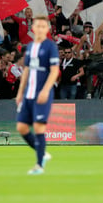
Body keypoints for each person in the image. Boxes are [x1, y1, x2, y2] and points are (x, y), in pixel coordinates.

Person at [15, 15, 60, 175]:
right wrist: (20, 92)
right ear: (33, 28)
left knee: (39, 127)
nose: (40, 29)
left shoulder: (50, 47)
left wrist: (46, 90)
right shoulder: (30, 46)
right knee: (21, 127)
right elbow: (26, 70)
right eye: (37, 26)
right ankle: (43, 152)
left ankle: (39, 165)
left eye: (43, 26)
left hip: (42, 93)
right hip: (28, 94)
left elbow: (54, 71)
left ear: (47, 29)